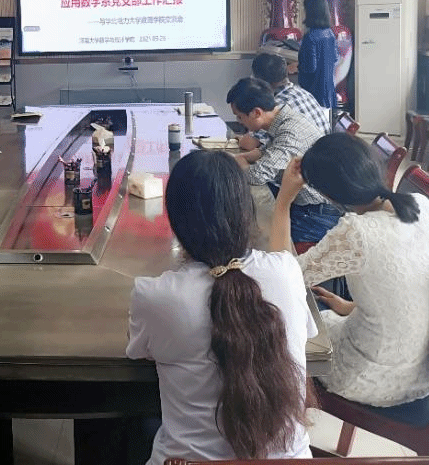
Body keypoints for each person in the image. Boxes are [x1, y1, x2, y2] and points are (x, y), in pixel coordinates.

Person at [127, 150, 315, 463]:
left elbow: (139, 352)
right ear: (246, 212)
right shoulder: (287, 272)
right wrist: (283, 202)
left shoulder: (156, 295)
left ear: (176, 221)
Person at [271, 133, 429, 407]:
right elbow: (413, 288)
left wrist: (283, 202)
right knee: (317, 309)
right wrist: (353, 308)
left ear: (327, 195)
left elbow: (282, 276)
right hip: (427, 370)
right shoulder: (423, 205)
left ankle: (287, 420)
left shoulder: (357, 232)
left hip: (371, 374)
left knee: (276, 322)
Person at [226, 77, 340, 245]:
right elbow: (268, 150)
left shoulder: (290, 132)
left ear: (256, 113)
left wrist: (240, 163)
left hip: (315, 214)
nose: (239, 122)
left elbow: (256, 176)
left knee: (259, 238)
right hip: (304, 204)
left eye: (240, 117)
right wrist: (243, 157)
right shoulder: (284, 118)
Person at [239, 53, 331, 151]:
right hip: (327, 153)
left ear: (259, 82)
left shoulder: (276, 106)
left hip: (309, 157)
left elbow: (249, 144)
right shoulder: (304, 93)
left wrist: (241, 138)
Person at [298, 0, 338, 110]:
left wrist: (296, 66)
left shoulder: (310, 37)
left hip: (313, 92)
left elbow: (309, 68)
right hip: (329, 91)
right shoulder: (330, 33)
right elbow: (335, 58)